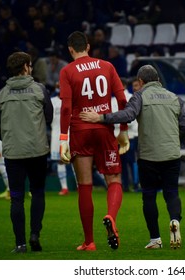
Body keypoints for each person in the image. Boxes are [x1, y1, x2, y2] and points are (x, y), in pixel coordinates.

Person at [80, 64, 185, 249]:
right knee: (171, 193)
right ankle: (174, 220)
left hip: (148, 155)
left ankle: (155, 239)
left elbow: (128, 115)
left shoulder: (140, 96)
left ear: (140, 81)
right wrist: (172, 139)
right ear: (158, 79)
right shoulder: (175, 98)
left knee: (149, 196)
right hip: (171, 154)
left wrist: (100, 118)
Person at [58, 31, 129, 251]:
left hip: (80, 130)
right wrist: (123, 130)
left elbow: (67, 108)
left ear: (71, 49)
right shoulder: (107, 66)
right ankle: (110, 215)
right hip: (104, 128)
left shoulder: (67, 70)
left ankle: (89, 242)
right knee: (114, 179)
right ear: (88, 46)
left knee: (85, 185)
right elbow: (122, 100)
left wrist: (63, 139)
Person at [0, 51, 53, 253]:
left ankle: (20, 244)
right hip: (37, 151)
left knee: (16, 198)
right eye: (30, 65)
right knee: (38, 192)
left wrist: (9, 138)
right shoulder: (40, 90)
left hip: (13, 153)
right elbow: (48, 118)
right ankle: (35, 234)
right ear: (25, 67)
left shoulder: (1, 94)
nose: (31, 68)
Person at [111, 78, 140, 192]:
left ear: (122, 85)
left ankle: (135, 184)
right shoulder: (112, 100)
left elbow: (130, 119)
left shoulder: (131, 98)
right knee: (121, 162)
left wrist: (116, 122)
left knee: (130, 161)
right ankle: (126, 185)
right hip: (117, 135)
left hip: (130, 135)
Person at [50, 83, 70, 195]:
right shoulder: (52, 101)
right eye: (58, 86)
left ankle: (79, 186)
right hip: (57, 134)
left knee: (75, 160)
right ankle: (64, 188)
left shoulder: (72, 100)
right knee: (60, 160)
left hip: (71, 133)